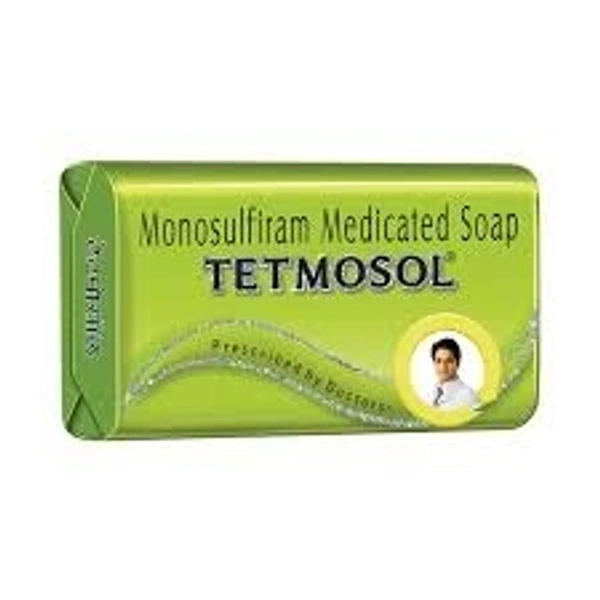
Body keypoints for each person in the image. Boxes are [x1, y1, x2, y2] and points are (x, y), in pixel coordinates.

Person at [429, 337, 478, 410]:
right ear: (434, 363)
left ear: (458, 363)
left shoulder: (468, 397)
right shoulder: (431, 393)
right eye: (438, 361)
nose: (443, 367)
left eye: (449, 361)